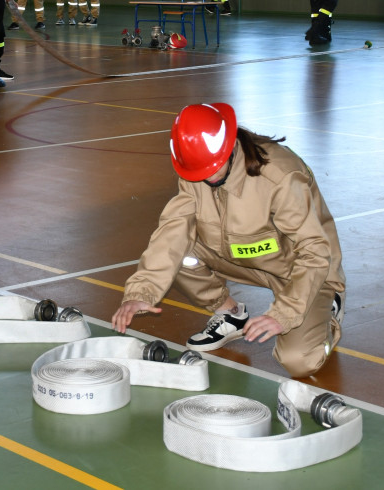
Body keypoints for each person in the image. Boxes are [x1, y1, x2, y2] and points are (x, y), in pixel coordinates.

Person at [111, 103, 345, 378]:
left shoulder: (280, 176)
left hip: (301, 272)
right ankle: (230, 313)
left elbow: (315, 251)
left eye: (211, 169)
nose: (206, 179)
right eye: (198, 173)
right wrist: (141, 293)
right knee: (179, 254)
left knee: (299, 361)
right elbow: (171, 232)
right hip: (243, 258)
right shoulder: (197, 171)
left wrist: (284, 314)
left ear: (229, 146)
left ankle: (328, 313)